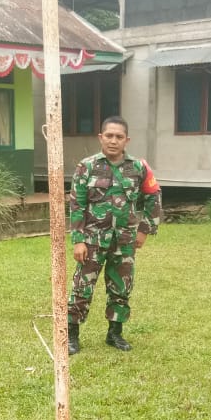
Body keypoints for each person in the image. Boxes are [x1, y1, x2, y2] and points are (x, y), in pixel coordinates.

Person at [67, 116, 161, 354]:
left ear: (126, 140)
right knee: (82, 287)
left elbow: (154, 196)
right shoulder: (86, 167)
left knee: (121, 287)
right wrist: (78, 240)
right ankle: (71, 335)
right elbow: (76, 204)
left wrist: (144, 230)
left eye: (119, 137)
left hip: (124, 241)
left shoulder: (139, 167)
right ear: (101, 137)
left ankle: (115, 334)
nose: (113, 141)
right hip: (92, 241)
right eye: (109, 136)